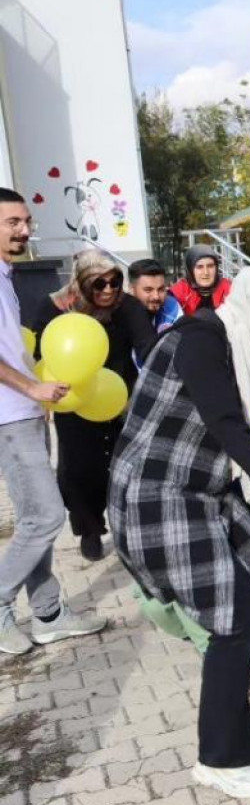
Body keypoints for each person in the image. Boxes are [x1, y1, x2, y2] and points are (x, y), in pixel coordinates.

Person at [107, 266, 250, 800]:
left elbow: (232, 429)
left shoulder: (226, 339)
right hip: (158, 498)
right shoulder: (202, 340)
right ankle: (220, 759)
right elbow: (226, 423)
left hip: (202, 488)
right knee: (231, 620)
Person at [0, 187, 106, 655]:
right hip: (9, 418)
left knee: (31, 519)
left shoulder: (5, 277)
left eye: (25, 221)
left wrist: (35, 390)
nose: (24, 230)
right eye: (12, 223)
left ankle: (47, 613)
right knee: (45, 517)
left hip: (25, 412)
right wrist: (30, 388)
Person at [33, 251, 156, 560]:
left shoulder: (126, 306)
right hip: (72, 401)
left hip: (118, 398)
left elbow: (148, 344)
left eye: (114, 281)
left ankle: (127, 526)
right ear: (81, 283)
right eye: (98, 283)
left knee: (123, 466)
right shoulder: (56, 307)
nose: (108, 290)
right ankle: (88, 527)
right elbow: (37, 352)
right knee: (79, 468)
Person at [170, 244, 230, 314]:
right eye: (199, 267)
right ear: (190, 270)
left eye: (210, 266)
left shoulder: (229, 289)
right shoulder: (180, 291)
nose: (206, 272)